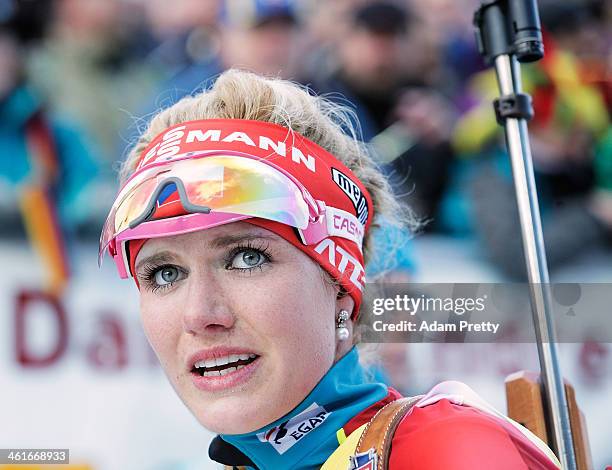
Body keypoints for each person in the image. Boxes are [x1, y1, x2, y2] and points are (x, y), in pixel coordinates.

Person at [100, 69, 561, 469]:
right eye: (164, 273)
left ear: (342, 287)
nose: (199, 313)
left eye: (246, 257)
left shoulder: (445, 448)